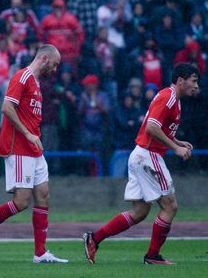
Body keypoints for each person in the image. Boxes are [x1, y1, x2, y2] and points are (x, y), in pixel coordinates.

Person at [84, 63, 199, 265]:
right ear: (180, 80)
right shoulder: (168, 97)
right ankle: (152, 256)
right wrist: (175, 148)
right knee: (170, 206)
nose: (196, 85)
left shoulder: (174, 99)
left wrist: (178, 142)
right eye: (194, 80)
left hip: (141, 154)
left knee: (139, 212)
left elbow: (158, 127)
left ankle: (94, 238)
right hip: (148, 155)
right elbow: (152, 127)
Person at [0, 45, 68, 264]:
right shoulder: (22, 77)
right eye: (54, 64)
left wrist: (35, 136)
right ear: (44, 58)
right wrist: (27, 133)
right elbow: (6, 107)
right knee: (22, 201)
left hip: (34, 147)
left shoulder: (35, 82)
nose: (55, 70)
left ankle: (40, 252)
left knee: (43, 195)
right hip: (19, 146)